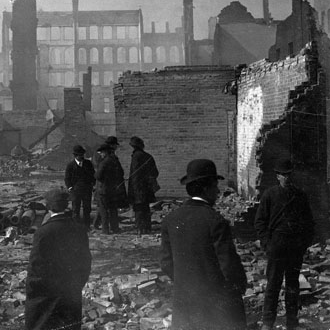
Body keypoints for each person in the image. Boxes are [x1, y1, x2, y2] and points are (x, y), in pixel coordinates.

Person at [160, 159, 247, 330]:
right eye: (215, 186)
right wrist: (237, 287)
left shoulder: (171, 220)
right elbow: (228, 265)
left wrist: (185, 283)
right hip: (214, 305)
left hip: (185, 303)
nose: (217, 192)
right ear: (206, 188)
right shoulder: (215, 220)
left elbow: (165, 262)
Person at [254, 158, 315, 330]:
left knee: (293, 286)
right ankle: (267, 323)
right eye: (282, 175)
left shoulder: (300, 195)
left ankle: (292, 323)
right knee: (273, 285)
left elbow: (309, 223)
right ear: (277, 176)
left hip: (294, 248)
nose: (286, 178)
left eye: (288, 175)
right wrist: (267, 244)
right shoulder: (270, 195)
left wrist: (303, 244)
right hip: (277, 246)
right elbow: (260, 222)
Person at [25, 188, 92, 330]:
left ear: (48, 207)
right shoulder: (79, 229)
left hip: (46, 294)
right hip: (71, 291)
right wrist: (78, 283)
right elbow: (86, 261)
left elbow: (36, 265)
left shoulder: (43, 232)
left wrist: (33, 287)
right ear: (66, 205)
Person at [127, 136, 159, 234]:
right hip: (147, 188)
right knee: (146, 208)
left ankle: (140, 229)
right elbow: (155, 172)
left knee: (139, 208)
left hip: (137, 188)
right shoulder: (148, 156)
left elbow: (135, 175)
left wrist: (135, 189)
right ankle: (147, 228)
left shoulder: (136, 156)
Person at [95, 142, 127, 234]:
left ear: (105, 152)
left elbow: (98, 176)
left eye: (101, 152)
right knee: (113, 210)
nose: (100, 154)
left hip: (103, 190)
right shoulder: (115, 161)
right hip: (113, 190)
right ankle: (115, 228)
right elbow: (121, 173)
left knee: (104, 210)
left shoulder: (103, 162)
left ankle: (105, 229)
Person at [64, 144, 95, 229]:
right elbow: (67, 178)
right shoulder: (70, 165)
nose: (81, 157)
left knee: (87, 209)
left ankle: (87, 226)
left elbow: (93, 175)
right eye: (79, 155)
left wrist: (93, 185)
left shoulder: (88, 164)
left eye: (82, 155)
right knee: (75, 209)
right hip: (75, 191)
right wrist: (70, 188)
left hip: (87, 190)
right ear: (75, 156)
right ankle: (76, 227)